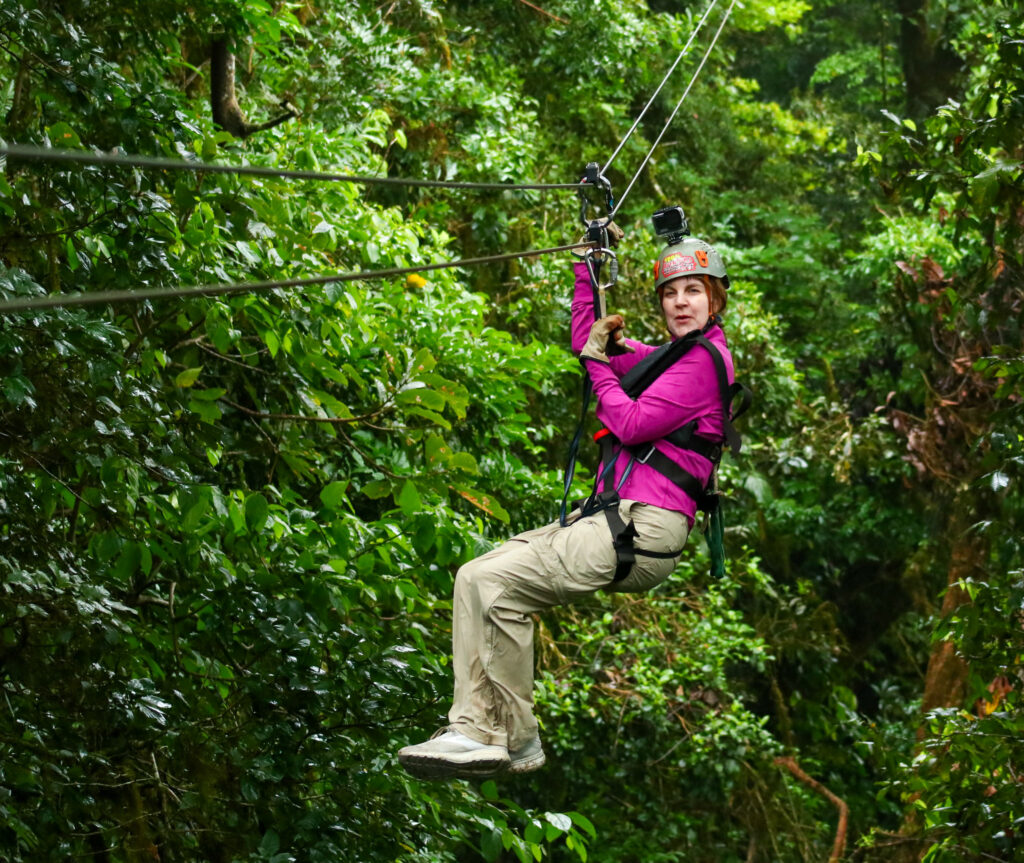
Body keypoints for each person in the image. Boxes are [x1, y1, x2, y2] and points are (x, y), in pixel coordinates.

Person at [397, 231, 734, 780]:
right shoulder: (669, 360)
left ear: (714, 300)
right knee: (475, 577)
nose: (680, 301)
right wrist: (587, 267)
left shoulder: (704, 364)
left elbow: (626, 419)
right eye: (671, 292)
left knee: (498, 586)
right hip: (615, 518)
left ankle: (489, 732)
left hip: (645, 527)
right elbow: (589, 343)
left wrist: (600, 363)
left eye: (693, 291)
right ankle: (500, 735)